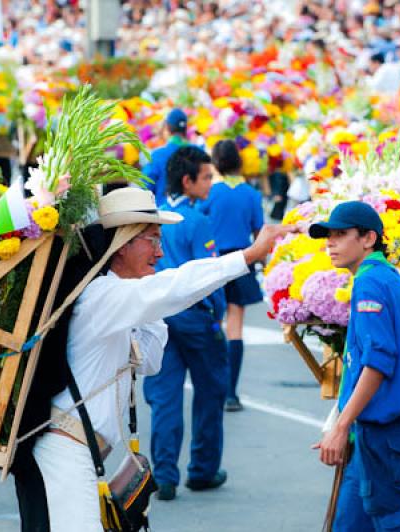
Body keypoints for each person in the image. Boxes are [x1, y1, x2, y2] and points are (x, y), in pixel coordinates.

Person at [31, 187, 295, 531]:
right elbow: (176, 287)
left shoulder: (126, 297)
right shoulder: (102, 295)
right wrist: (246, 256)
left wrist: (153, 305)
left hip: (84, 452)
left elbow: (150, 361)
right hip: (65, 452)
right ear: (123, 243)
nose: (159, 251)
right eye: (152, 240)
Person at [309, 201, 400, 531]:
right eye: (328, 236)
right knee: (348, 525)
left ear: (368, 239)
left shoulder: (370, 284)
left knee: (397, 521)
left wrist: (339, 426)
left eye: (340, 235)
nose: (330, 243)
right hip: (382, 433)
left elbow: (378, 363)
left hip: (382, 433)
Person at [143, 146, 229, 501]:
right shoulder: (196, 220)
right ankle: (202, 470)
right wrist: (218, 313)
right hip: (195, 318)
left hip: (158, 315)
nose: (210, 183)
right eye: (206, 176)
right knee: (210, 393)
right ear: (187, 180)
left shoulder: (154, 217)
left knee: (165, 398)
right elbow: (210, 275)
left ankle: (164, 476)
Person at [201, 139, 265, 412]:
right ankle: (231, 393)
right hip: (242, 260)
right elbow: (259, 231)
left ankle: (212, 387)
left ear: (215, 163)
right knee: (235, 327)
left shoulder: (209, 193)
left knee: (212, 323)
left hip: (213, 261)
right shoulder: (251, 194)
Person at [142, 108, 192, 207]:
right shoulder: (197, 153)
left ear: (168, 127)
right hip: (193, 216)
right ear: (186, 128)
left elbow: (145, 186)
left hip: (164, 216)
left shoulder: (157, 155)